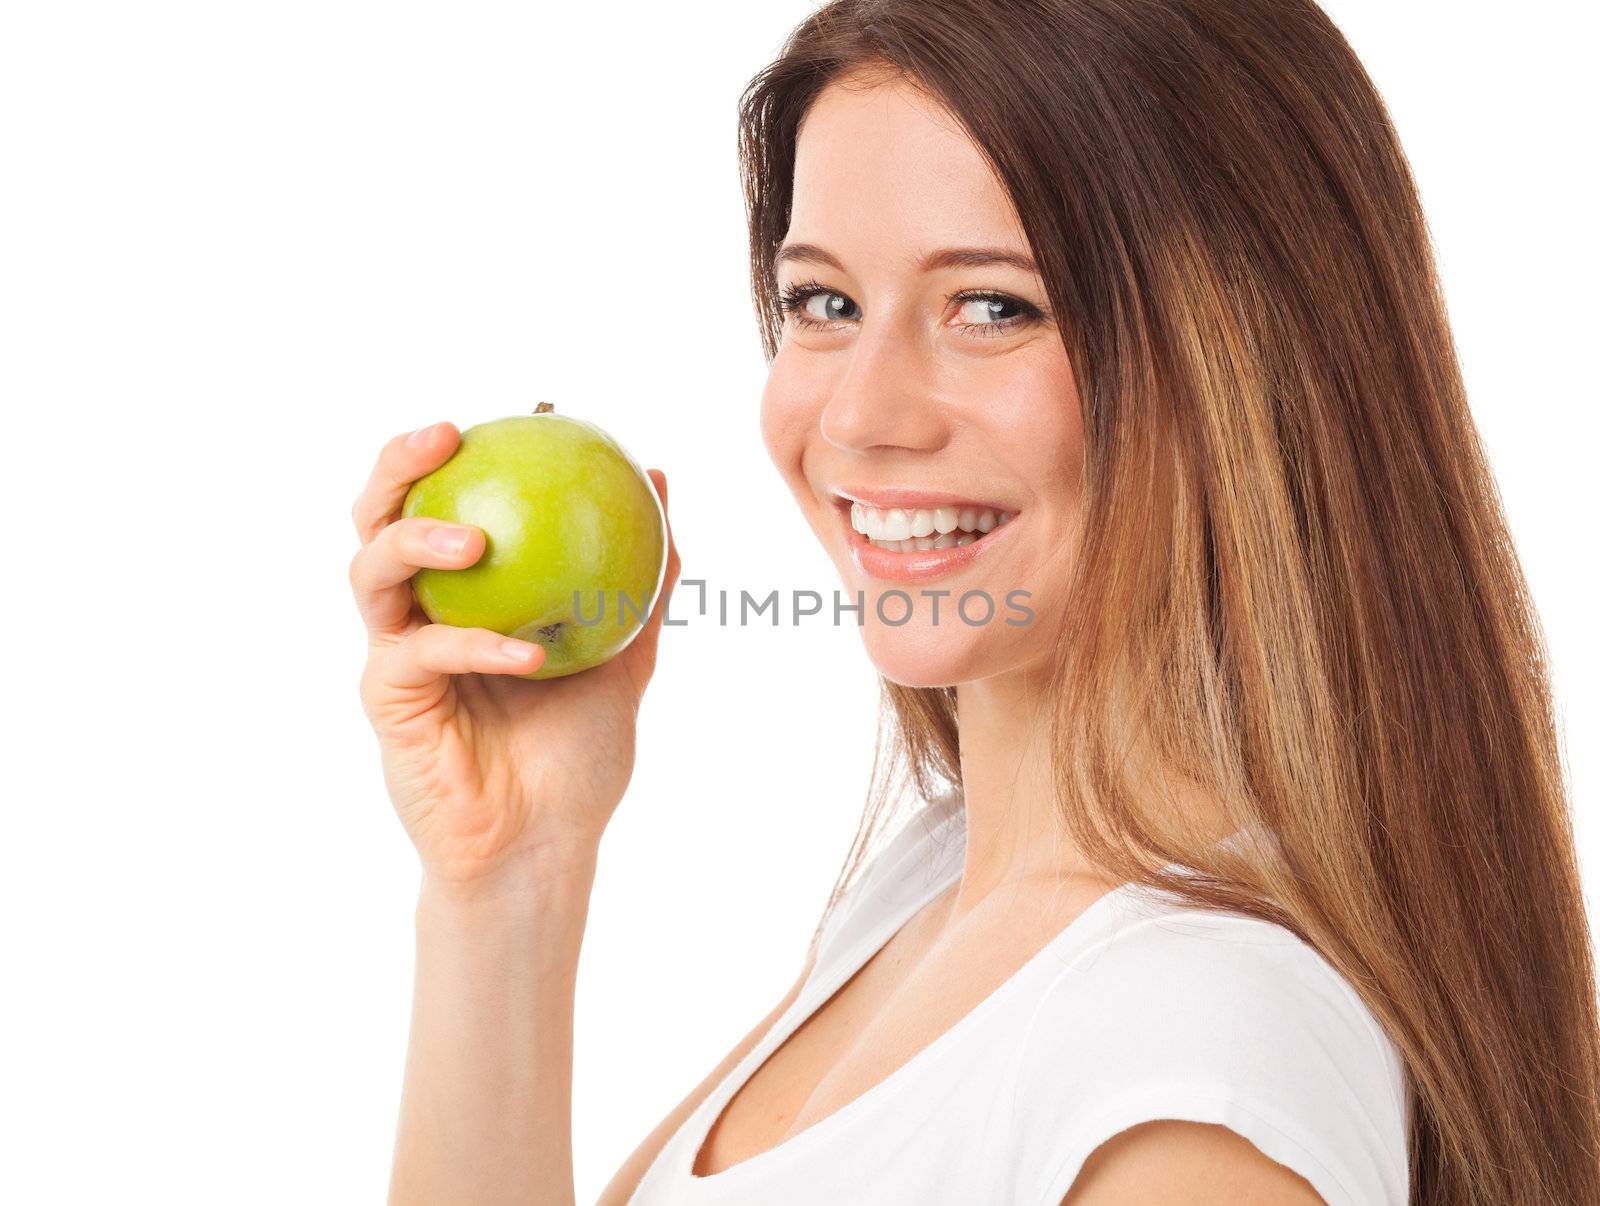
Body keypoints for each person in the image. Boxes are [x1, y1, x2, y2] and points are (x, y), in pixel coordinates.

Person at [348, 1, 1600, 1203]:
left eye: (992, 306)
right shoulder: (940, 881)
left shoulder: (1192, 1078)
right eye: (824, 303)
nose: (857, 417)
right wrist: (509, 878)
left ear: (1246, 357)